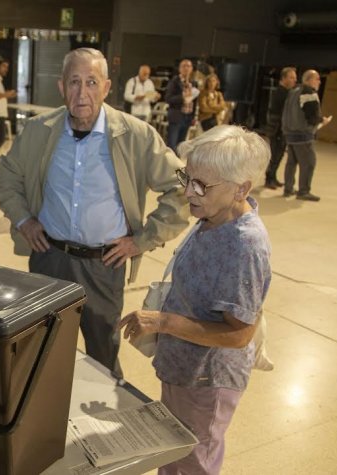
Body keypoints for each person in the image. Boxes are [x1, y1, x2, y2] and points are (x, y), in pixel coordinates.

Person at [0, 48, 189, 379]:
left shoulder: (135, 136)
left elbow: (181, 189)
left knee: (102, 354)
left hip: (103, 265)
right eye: (74, 82)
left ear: (107, 87)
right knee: (43, 350)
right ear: (61, 87)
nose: (82, 93)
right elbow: (7, 179)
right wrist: (24, 220)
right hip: (48, 259)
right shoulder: (39, 131)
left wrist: (142, 241)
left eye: (91, 82)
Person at [119, 125, 272, 475]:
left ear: (241, 189)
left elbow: (238, 334)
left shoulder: (244, 245)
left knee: (193, 461)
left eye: (200, 184)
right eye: (187, 177)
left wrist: (162, 322)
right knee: (173, 454)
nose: (188, 190)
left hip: (207, 380)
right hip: (184, 367)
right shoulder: (211, 216)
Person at [282, 69, 331, 202]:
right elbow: (311, 116)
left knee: (291, 163)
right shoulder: (309, 93)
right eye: (317, 79)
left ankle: (288, 188)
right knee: (309, 163)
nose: (319, 82)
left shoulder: (293, 92)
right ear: (309, 80)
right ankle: (303, 191)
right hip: (303, 135)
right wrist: (322, 120)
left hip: (290, 134)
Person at [263, 67, 297, 189]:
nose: (294, 80)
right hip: (277, 129)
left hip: (282, 129)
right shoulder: (280, 92)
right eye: (291, 77)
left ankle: (273, 176)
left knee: (280, 154)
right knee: (275, 154)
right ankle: (269, 178)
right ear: (284, 78)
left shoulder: (288, 92)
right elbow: (277, 113)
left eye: (295, 77)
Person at [165, 59, 200, 151]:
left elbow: (195, 101)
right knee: (172, 144)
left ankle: (178, 164)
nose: (186, 68)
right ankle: (169, 164)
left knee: (181, 144)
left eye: (188, 66)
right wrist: (182, 97)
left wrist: (193, 117)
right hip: (177, 116)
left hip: (187, 116)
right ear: (180, 69)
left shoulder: (194, 83)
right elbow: (168, 98)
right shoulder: (174, 81)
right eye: (184, 66)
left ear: (192, 69)